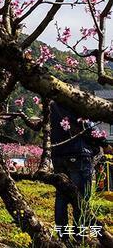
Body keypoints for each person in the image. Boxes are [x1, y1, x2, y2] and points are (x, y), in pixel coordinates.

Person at [50, 101, 103, 242]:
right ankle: (79, 235)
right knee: (81, 197)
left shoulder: (52, 107)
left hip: (58, 155)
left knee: (61, 196)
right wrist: (103, 143)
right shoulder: (74, 104)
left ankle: (63, 236)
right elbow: (89, 127)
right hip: (78, 153)